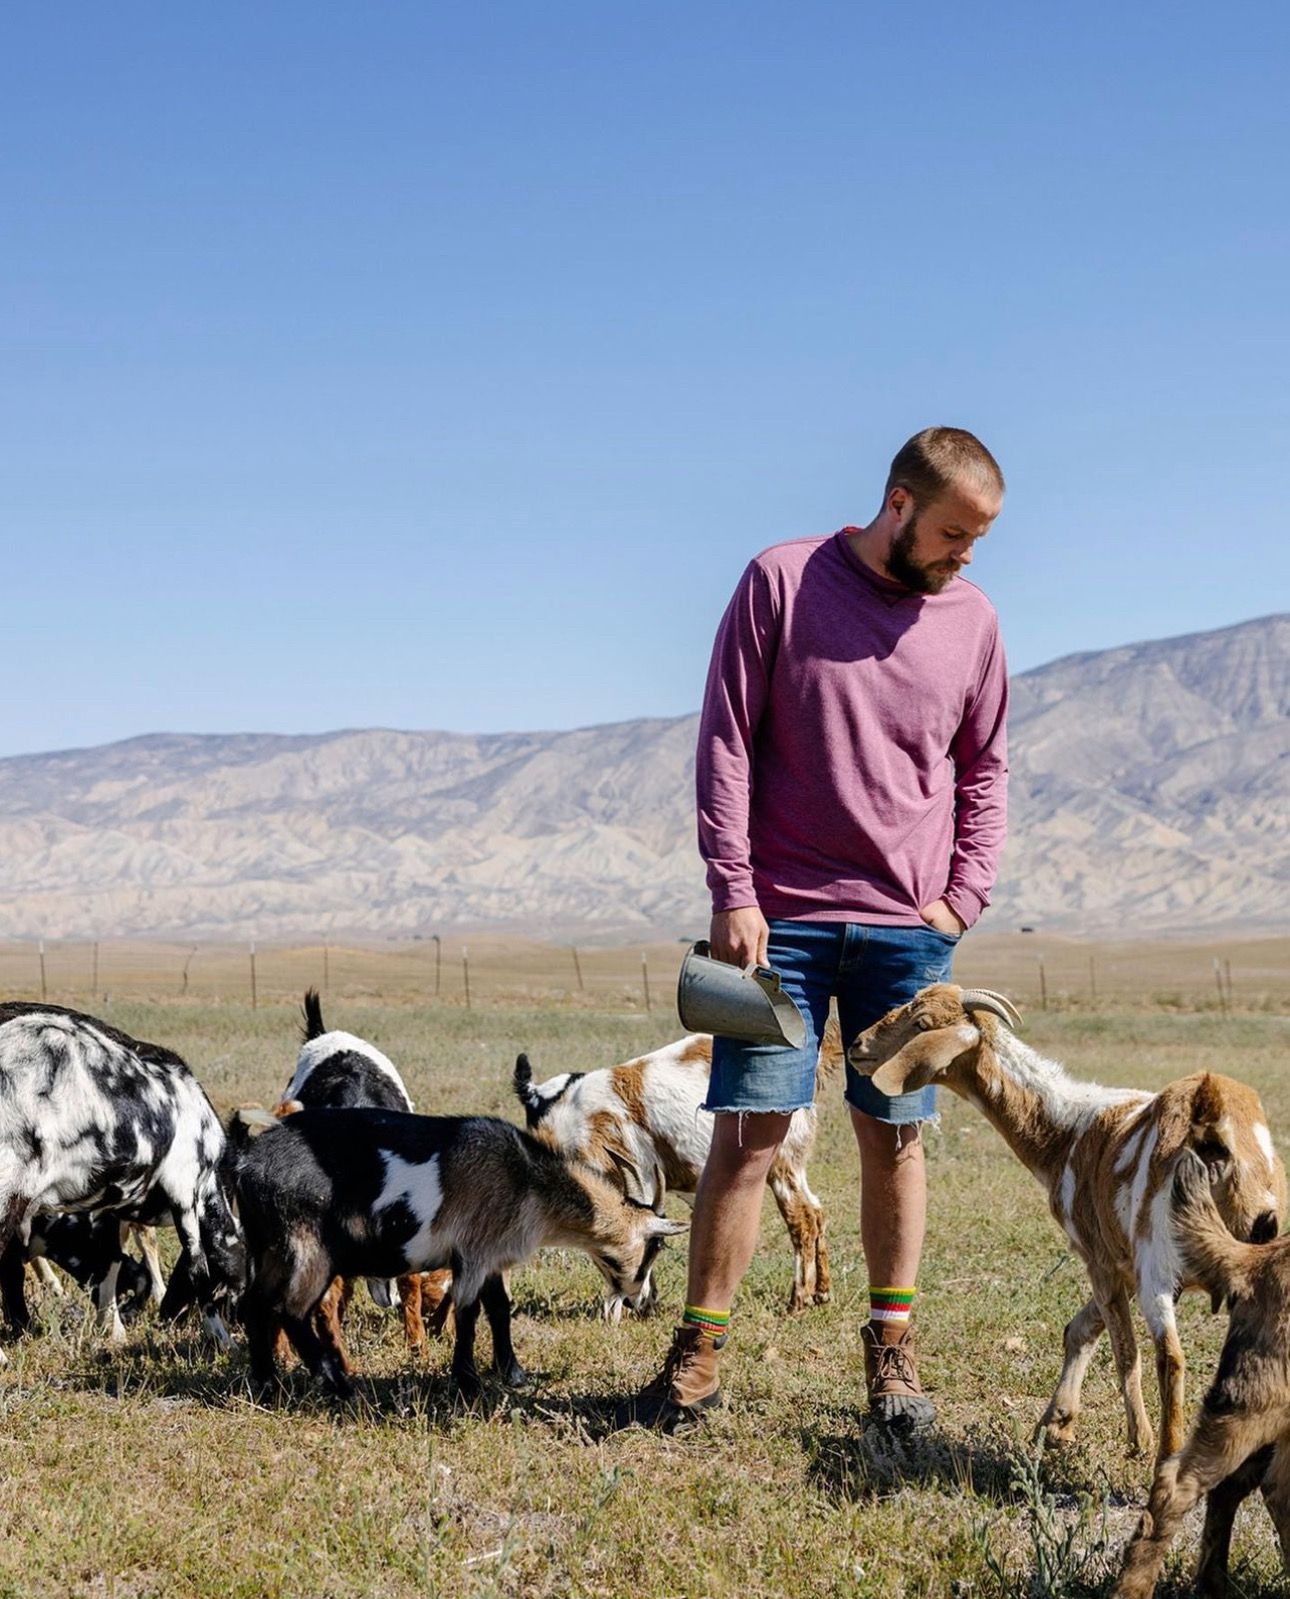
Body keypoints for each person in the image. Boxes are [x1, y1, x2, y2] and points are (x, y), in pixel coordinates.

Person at [633, 426, 1009, 1434]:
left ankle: (893, 1358)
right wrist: (734, 889)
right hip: (777, 927)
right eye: (952, 533)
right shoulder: (782, 580)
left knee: (896, 1139)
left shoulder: (973, 620)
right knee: (746, 1137)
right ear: (897, 505)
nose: (966, 554)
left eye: (978, 538)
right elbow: (725, 740)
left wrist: (960, 900)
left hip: (908, 933)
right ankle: (697, 1359)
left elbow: (985, 768)